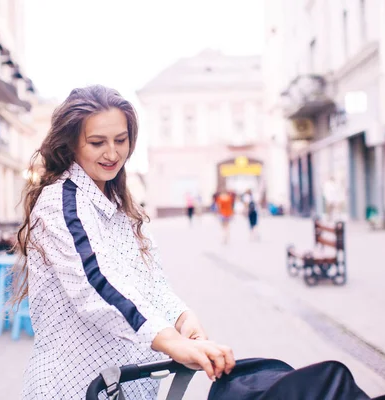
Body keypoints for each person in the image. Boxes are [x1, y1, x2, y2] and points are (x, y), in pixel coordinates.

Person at [12, 85, 235, 399]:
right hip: (76, 385)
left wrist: (183, 319)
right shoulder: (62, 202)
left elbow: (152, 280)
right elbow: (96, 283)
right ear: (72, 143)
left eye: (121, 140)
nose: (112, 153)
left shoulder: (119, 204)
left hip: (128, 385)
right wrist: (170, 341)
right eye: (97, 142)